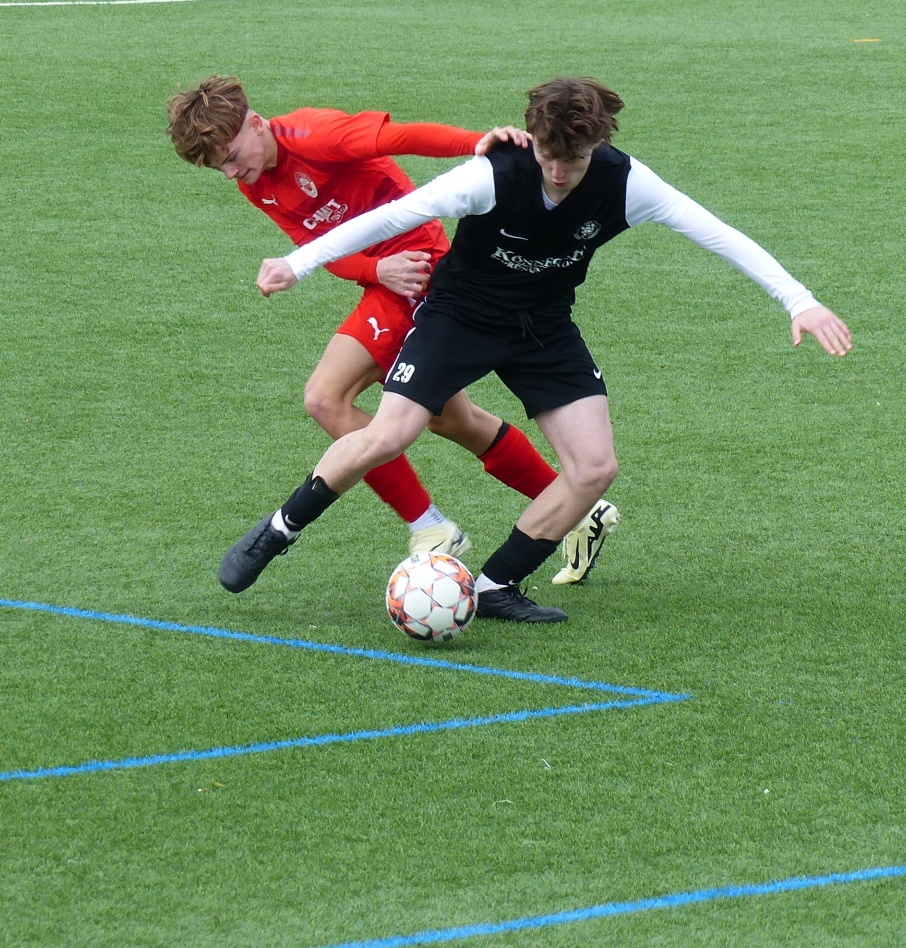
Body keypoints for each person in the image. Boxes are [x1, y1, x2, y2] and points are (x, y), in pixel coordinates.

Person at [218, 77, 850, 625]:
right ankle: (277, 532)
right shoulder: (491, 174)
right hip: (460, 315)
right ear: (533, 140)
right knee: (389, 435)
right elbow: (393, 216)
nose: (558, 173)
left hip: (543, 325)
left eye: (573, 161)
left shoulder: (627, 182)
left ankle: (495, 586)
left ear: (596, 146)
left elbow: (718, 234)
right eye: (548, 156)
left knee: (595, 468)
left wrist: (799, 300)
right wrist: (299, 263)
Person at [167, 78, 618, 578]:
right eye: (220, 168)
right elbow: (322, 247)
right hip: (385, 278)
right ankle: (580, 508)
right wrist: (373, 270)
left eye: (231, 157)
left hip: (419, 268)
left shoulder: (318, 135)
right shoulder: (256, 182)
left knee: (326, 397)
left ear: (255, 124)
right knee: (453, 420)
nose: (232, 173)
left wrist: (480, 145)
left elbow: (403, 136)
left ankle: (430, 527)